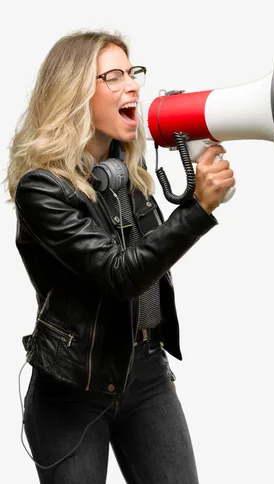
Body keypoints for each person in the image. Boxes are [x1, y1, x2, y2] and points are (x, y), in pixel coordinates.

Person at [4, 29, 235, 484]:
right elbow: (119, 274)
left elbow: (150, 257)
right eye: (113, 76)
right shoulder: (42, 189)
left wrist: (197, 186)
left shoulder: (127, 172)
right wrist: (199, 210)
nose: (132, 85)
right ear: (74, 94)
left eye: (133, 73)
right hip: (72, 387)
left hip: (145, 372)